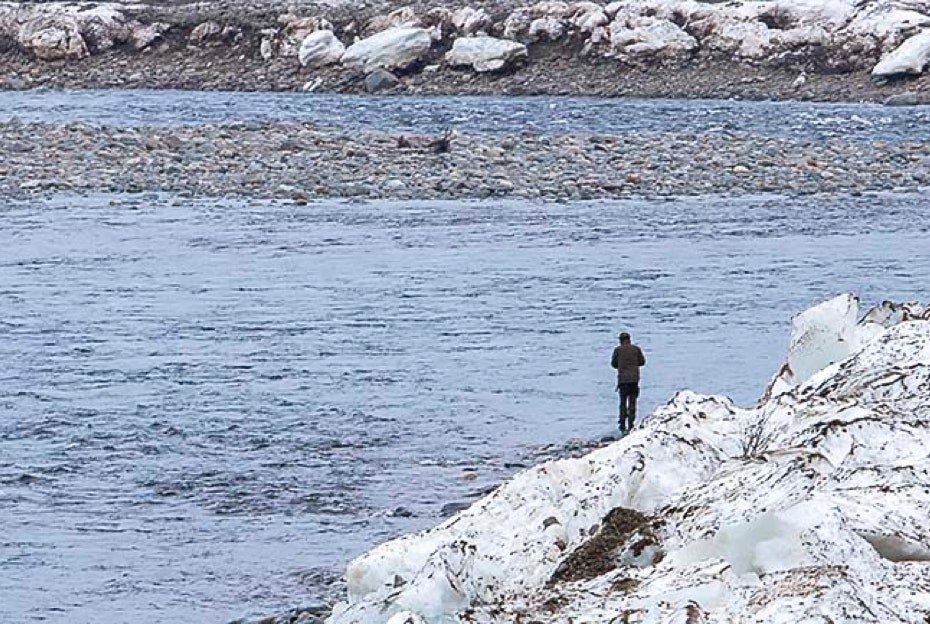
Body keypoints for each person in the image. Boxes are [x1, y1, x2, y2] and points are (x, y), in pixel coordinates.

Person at [610, 332, 646, 434]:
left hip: (623, 381)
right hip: (634, 380)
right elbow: (642, 362)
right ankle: (631, 424)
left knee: (622, 403)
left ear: (620, 340)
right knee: (632, 402)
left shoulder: (617, 350)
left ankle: (622, 424)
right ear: (629, 339)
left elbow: (613, 364)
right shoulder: (636, 349)